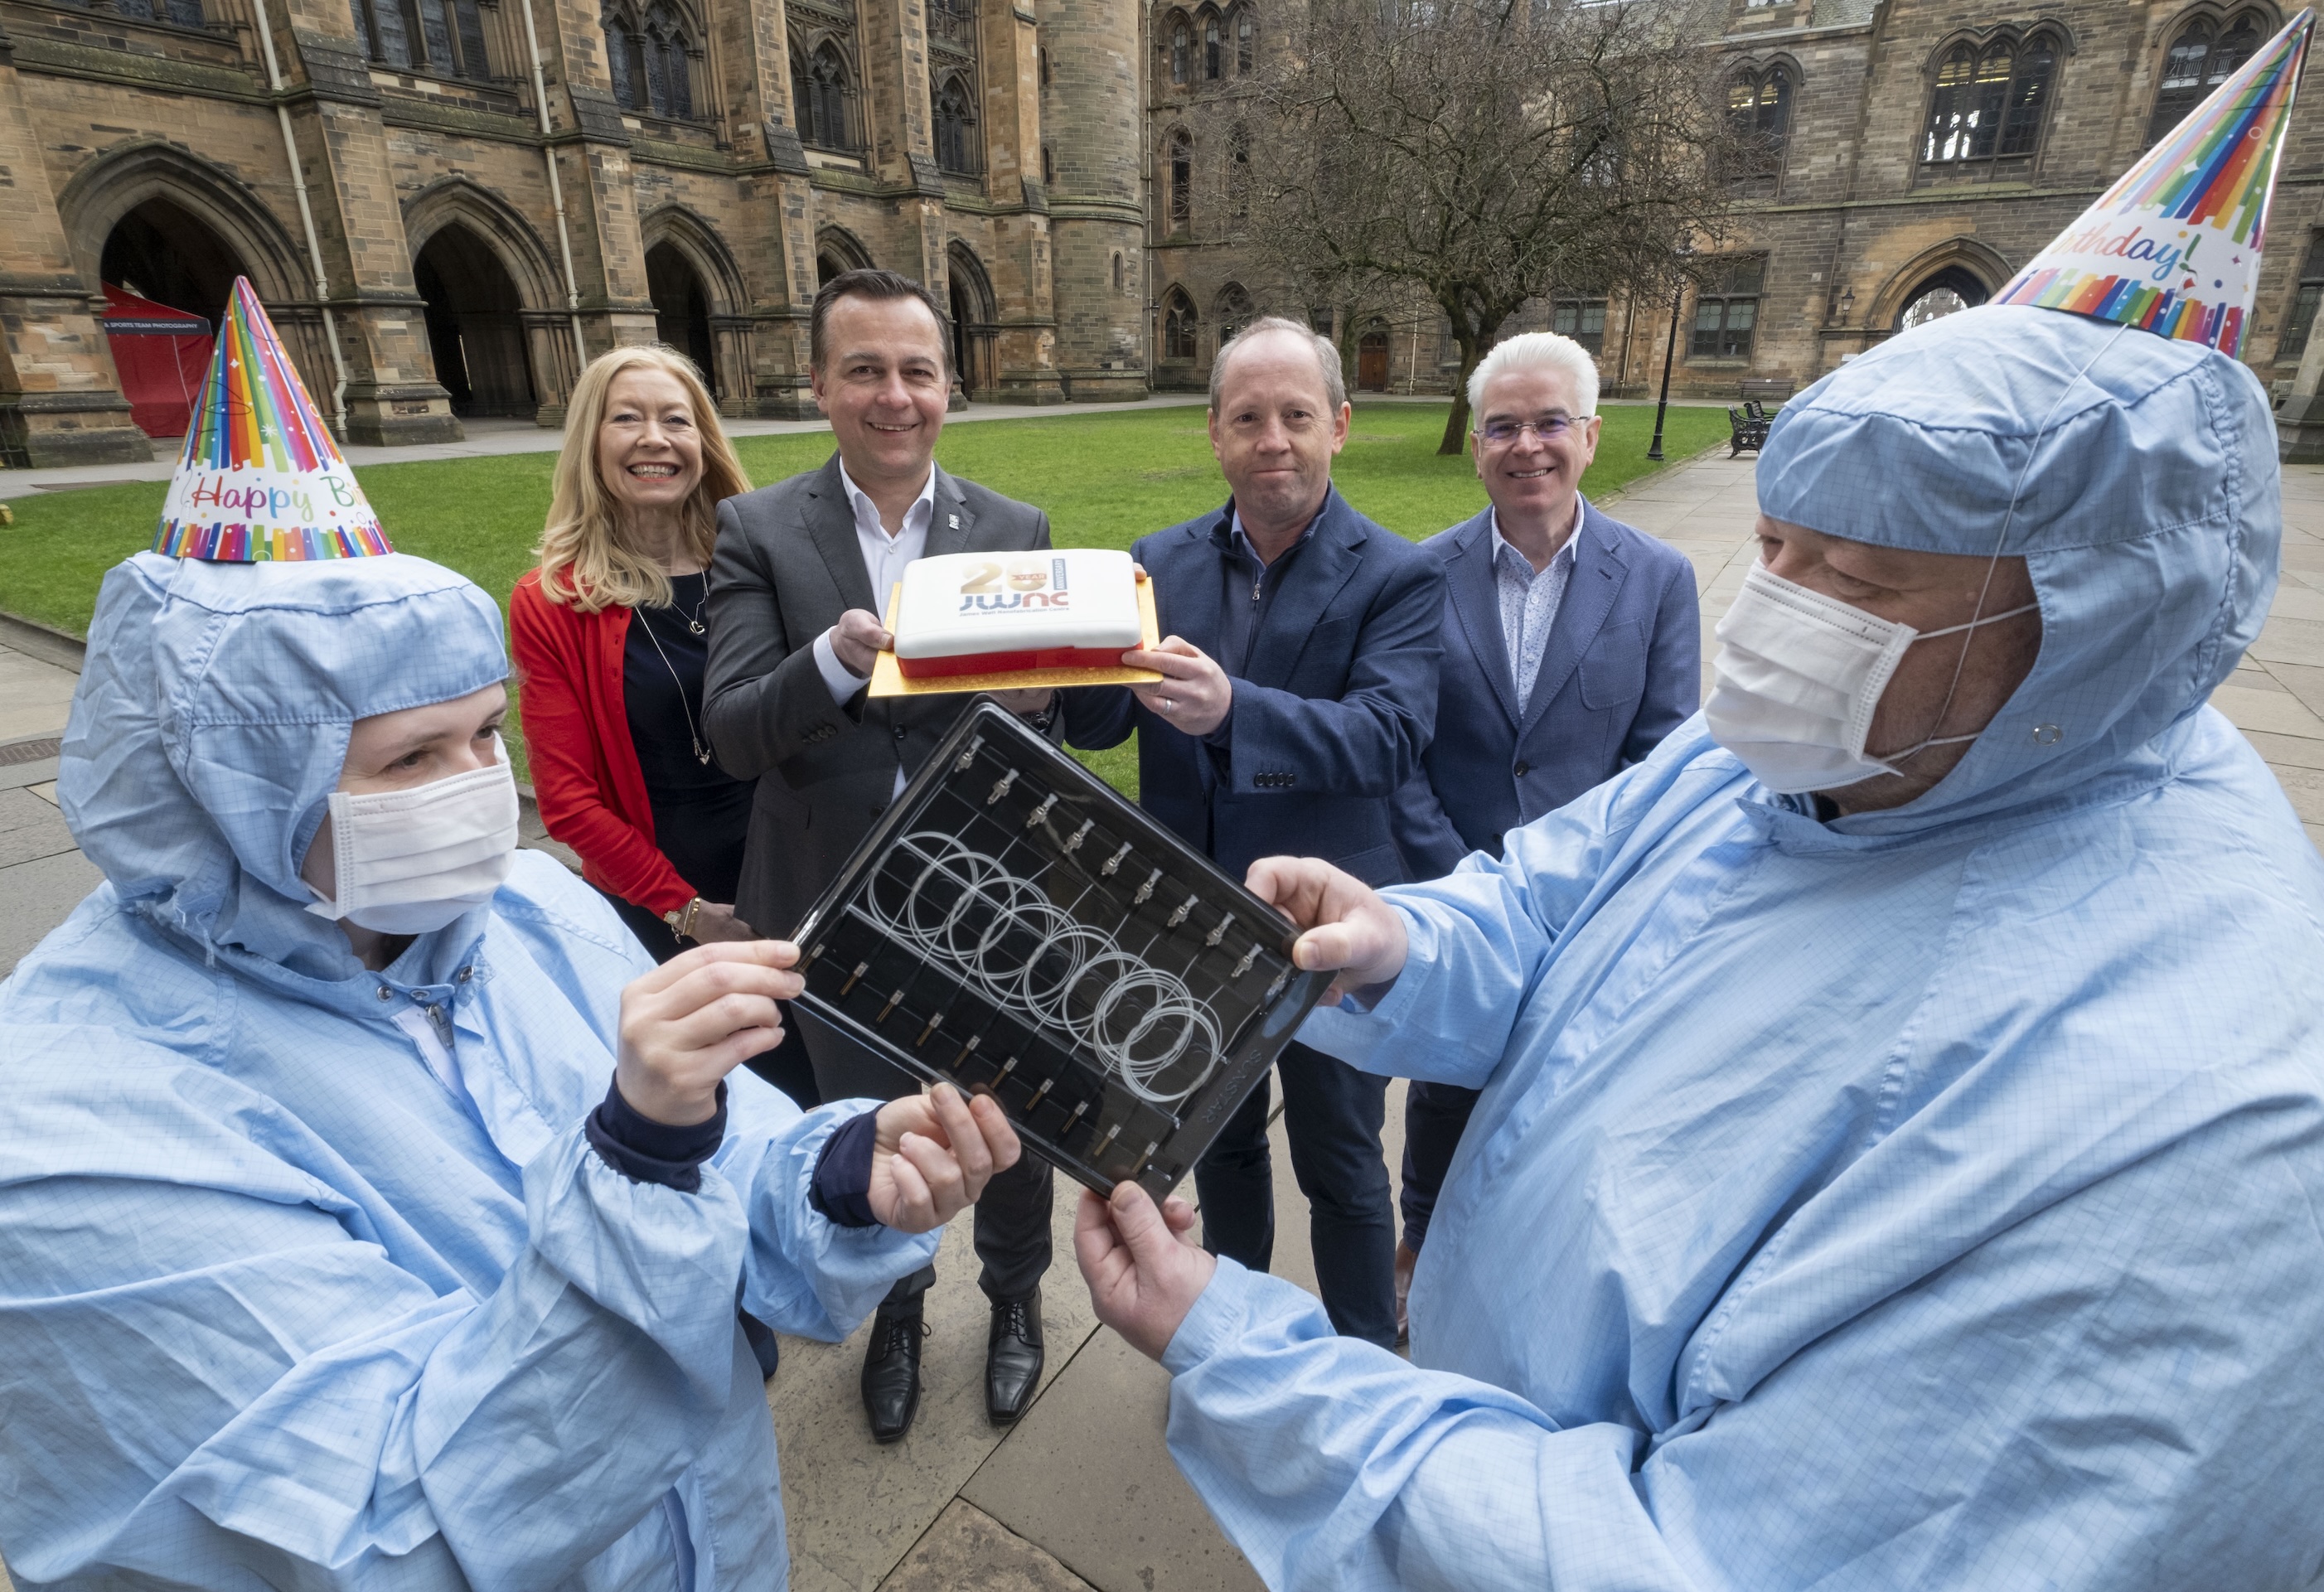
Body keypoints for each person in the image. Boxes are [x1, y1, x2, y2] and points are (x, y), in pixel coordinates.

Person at [1074, 302, 2324, 1588]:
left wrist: (1247, 1356)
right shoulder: (1812, 749)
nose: (1776, 607)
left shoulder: (2191, 1118)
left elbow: (1691, 1558)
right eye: (1774, 546)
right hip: (1473, 1415)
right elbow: (1547, 900)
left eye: (1854, 581)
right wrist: (1401, 941)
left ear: (2080, 617)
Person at [0, 547, 1022, 1588]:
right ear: (230, 788)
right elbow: (393, 1539)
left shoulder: (523, 908)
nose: (478, 789)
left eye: (486, 731)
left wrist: (834, 1176)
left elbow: (729, 1158)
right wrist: (640, 1161)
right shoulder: (73, 1128)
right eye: (411, 758)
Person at [702, 267, 1061, 1441]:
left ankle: (1014, 1297)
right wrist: (834, 661)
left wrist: (1043, 702)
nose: (893, 395)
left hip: (987, 902)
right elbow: (735, 732)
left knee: (1010, 1127)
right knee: (872, 1128)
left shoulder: (1013, 529)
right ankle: (897, 1309)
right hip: (830, 907)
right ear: (818, 384)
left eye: (916, 370)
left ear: (949, 386)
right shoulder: (757, 529)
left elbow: (1041, 731)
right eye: (863, 369)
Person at [1067, 315, 1443, 1350]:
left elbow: (1388, 739)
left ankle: (1364, 1361)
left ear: (1339, 425)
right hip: (1186, 928)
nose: (1271, 439)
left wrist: (1235, 713)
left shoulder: (1397, 574)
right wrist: (1039, 685)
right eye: (1246, 418)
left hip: (1323, 933)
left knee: (1340, 1162)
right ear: (1214, 433)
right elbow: (1101, 717)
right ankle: (1231, 1343)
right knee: (1219, 1150)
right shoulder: (1154, 562)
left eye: (1295, 415)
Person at [1387, 331, 1699, 1334]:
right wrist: (1462, 879)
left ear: (1590, 436)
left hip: (1589, 904)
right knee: (1445, 1082)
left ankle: (1539, 1265)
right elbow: (1403, 750)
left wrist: (1580, 890)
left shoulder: (1656, 578)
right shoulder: (1417, 575)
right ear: (1477, 446)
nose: (1527, 445)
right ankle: (1420, 1240)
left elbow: (1659, 757)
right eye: (1502, 427)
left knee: (1573, 1089)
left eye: (1549, 422)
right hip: (1458, 885)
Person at [512, 346, 762, 963]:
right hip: (662, 902)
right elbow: (568, 802)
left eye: (676, 420)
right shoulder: (552, 601)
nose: (655, 438)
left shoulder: (755, 564)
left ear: (703, 443)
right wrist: (688, 910)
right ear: (590, 443)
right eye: (626, 418)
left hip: (790, 866)